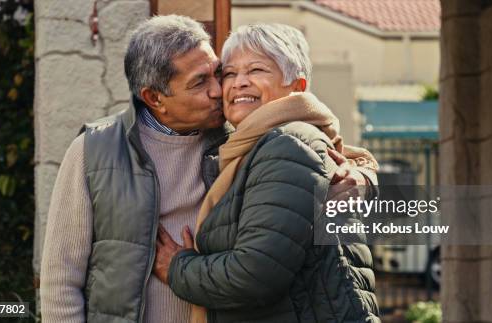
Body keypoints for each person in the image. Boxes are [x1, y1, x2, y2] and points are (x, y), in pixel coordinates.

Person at [40, 15, 377, 323]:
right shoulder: (95, 150)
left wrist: (360, 180)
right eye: (201, 82)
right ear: (155, 98)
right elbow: (61, 278)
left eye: (217, 73)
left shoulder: (244, 135)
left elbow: (330, 153)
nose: (220, 90)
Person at [154, 23, 380, 323]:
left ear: (297, 87)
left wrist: (177, 267)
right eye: (230, 73)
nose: (239, 83)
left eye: (257, 70)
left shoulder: (288, 144)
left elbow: (255, 274)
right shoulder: (257, 145)